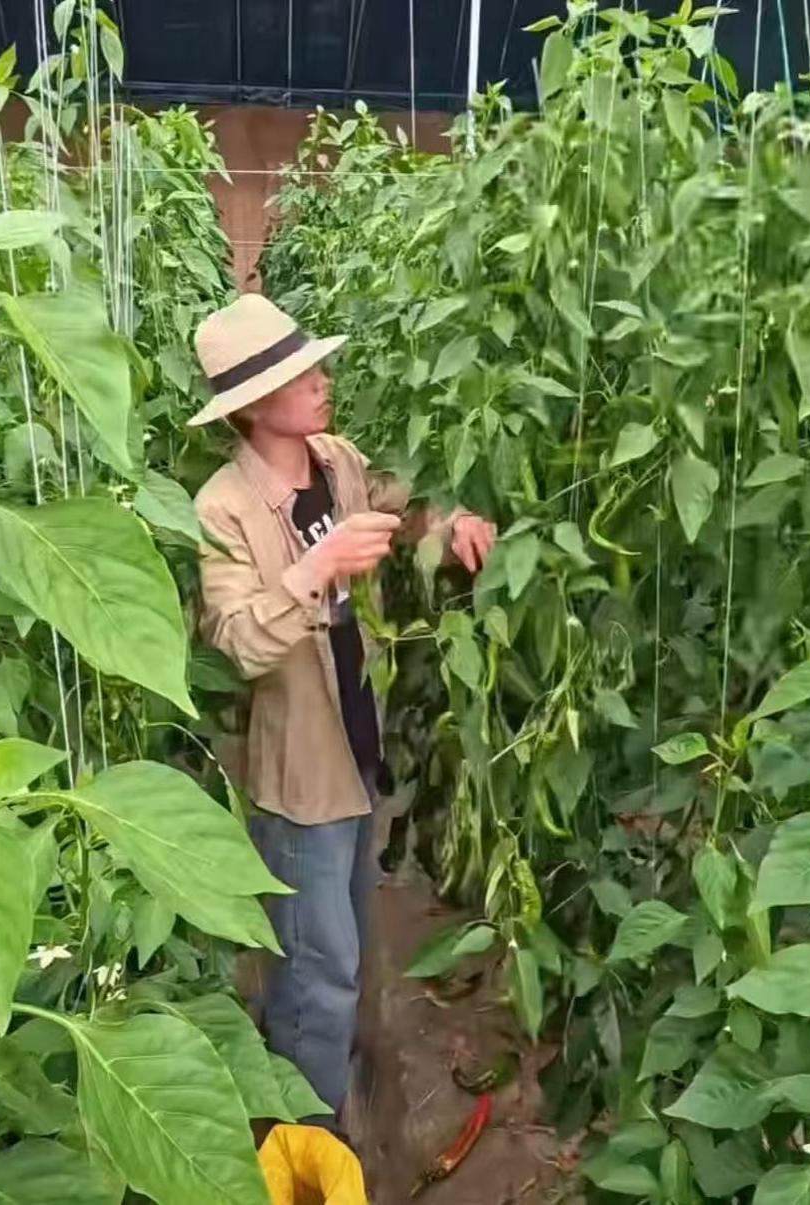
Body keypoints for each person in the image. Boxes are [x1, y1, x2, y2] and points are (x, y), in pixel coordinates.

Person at [190, 294, 497, 1131]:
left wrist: (451, 526)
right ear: (255, 405)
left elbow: (401, 510)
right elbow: (238, 640)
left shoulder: (337, 462)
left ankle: (328, 1103)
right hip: (303, 781)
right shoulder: (224, 507)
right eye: (302, 375)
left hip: (359, 751)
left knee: (344, 947)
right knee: (317, 972)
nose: (323, 380)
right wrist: (316, 567)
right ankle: (308, 1143)